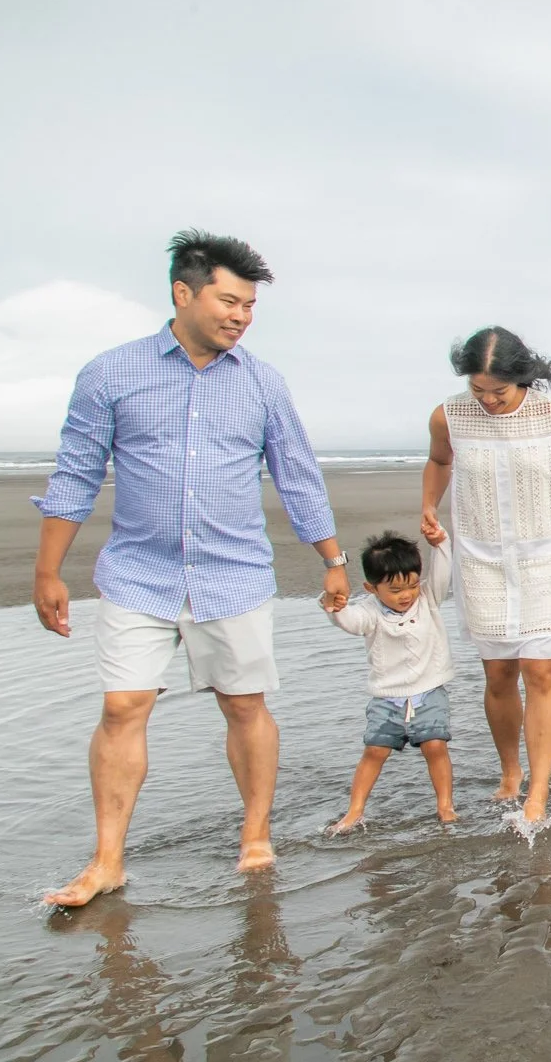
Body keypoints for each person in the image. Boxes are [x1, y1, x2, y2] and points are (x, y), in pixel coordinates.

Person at [33, 230, 349, 907]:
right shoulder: (110, 373)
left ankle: (256, 833)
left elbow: (297, 475)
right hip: (137, 572)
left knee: (243, 704)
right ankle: (108, 860)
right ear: (184, 291)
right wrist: (47, 571)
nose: (241, 315)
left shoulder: (263, 382)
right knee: (122, 706)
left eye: (250, 306)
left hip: (232, 573)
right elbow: (76, 474)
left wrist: (332, 559)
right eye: (229, 300)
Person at [422, 328, 551, 826]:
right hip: (480, 557)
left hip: (545, 554)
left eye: (498, 392)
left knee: (540, 671)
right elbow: (440, 461)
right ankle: (510, 772)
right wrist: (428, 506)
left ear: (521, 379)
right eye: (478, 390)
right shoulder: (449, 415)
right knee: (499, 673)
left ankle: (538, 792)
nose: (487, 401)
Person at [325, 527, 458, 833]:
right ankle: (354, 812)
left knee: (435, 746)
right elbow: (351, 622)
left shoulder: (428, 598)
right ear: (371, 588)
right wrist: (335, 606)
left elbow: (442, 573)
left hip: (429, 692)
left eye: (411, 585)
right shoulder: (369, 611)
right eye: (396, 591)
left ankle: (445, 807)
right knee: (374, 751)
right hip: (387, 697)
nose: (406, 595)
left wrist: (441, 545)